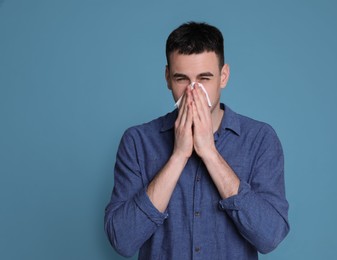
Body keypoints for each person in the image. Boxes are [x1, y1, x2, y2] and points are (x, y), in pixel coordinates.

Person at [104, 21, 289, 259]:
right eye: (182, 79)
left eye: (204, 78)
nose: (193, 91)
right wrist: (178, 156)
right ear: (168, 77)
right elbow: (123, 241)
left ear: (223, 76)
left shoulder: (260, 139)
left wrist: (210, 153)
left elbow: (270, 236)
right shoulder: (137, 141)